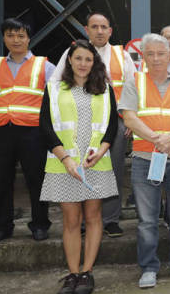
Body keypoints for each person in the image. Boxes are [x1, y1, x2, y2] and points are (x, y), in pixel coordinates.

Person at [40, 40, 118, 294]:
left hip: (95, 162)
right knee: (72, 221)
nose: (83, 64)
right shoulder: (54, 89)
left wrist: (102, 151)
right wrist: (65, 159)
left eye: (88, 59)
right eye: (79, 58)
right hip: (65, 166)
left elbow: (111, 127)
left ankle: (87, 272)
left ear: (94, 62)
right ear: (69, 60)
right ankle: (72, 273)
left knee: (94, 217)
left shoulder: (105, 89)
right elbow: (46, 127)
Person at [122, 33, 170, 288]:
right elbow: (129, 118)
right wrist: (158, 139)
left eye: (161, 53)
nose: (156, 59)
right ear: (143, 56)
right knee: (147, 219)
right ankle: (149, 267)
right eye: (150, 54)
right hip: (146, 159)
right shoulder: (134, 82)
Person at [52, 13, 136, 238]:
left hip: (113, 122)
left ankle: (110, 219)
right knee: (79, 167)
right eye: (94, 27)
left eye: (104, 27)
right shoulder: (73, 53)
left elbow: (133, 88)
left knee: (112, 169)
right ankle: (79, 221)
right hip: (78, 121)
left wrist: (130, 119)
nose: (99, 31)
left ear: (110, 31)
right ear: (87, 30)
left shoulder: (122, 55)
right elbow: (55, 84)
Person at [0, 18, 54, 244]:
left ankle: (40, 224)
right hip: (0, 131)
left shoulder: (44, 66)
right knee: (0, 181)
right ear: (4, 38)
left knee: (37, 180)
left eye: (21, 36)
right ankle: (2, 226)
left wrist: (51, 133)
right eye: (11, 35)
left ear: (29, 38)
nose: (16, 40)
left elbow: (54, 102)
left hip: (33, 132)